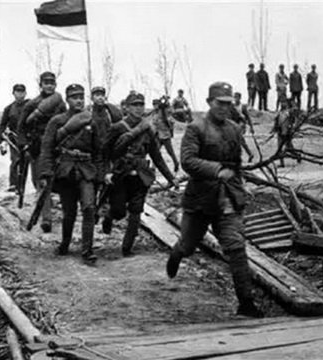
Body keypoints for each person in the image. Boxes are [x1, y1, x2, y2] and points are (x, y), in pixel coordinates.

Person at [166, 81, 264, 318]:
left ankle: (246, 304)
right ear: (209, 102)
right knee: (188, 245)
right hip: (200, 199)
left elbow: (236, 164)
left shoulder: (233, 128)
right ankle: (177, 253)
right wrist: (217, 170)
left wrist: (240, 184)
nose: (224, 107)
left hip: (227, 198)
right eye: (220, 103)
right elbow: (188, 161)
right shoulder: (195, 128)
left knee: (236, 248)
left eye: (228, 103)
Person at [102, 92, 178, 256]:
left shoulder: (147, 129)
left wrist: (171, 177)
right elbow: (105, 153)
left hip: (141, 175)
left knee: (136, 211)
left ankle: (126, 248)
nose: (138, 108)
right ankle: (109, 216)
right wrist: (107, 172)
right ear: (127, 107)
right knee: (119, 211)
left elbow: (156, 157)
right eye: (134, 105)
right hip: (121, 175)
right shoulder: (118, 128)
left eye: (141, 105)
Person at [37, 84, 103, 265]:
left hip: (86, 170)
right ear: (67, 100)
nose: (79, 100)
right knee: (69, 212)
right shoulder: (57, 121)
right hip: (66, 170)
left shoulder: (91, 121)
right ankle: (65, 243)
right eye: (74, 97)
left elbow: (98, 152)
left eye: (81, 97)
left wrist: (100, 175)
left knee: (89, 208)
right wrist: (45, 173)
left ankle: (87, 250)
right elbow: (47, 149)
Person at [18, 71, 67, 233]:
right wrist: (24, 145)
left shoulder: (60, 104)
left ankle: (54, 216)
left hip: (56, 147)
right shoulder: (32, 105)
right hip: (38, 148)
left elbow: (67, 122)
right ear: (40, 85)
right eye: (46, 83)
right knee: (39, 182)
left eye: (52, 83)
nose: (49, 86)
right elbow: (21, 128)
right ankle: (46, 215)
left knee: (58, 181)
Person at [0, 83, 29, 192]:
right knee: (15, 161)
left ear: (25, 93)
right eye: (17, 92)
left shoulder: (30, 106)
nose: (20, 94)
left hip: (28, 138)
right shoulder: (9, 109)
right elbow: (3, 125)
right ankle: (14, 184)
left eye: (22, 92)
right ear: (13, 93)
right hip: (14, 138)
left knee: (26, 162)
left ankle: (22, 186)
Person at [152, 96, 180, 173]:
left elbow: (170, 120)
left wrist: (165, 101)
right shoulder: (155, 113)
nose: (154, 106)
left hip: (165, 136)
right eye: (153, 104)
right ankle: (153, 167)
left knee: (170, 152)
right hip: (158, 135)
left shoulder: (164, 112)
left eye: (155, 104)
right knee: (156, 151)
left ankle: (176, 163)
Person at [272, 98, 302, 167]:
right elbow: (276, 121)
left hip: (287, 132)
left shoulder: (289, 112)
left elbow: (295, 117)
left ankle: (297, 156)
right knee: (279, 148)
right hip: (280, 132)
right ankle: (282, 163)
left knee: (289, 148)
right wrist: (274, 128)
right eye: (282, 102)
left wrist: (292, 128)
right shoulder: (280, 112)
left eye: (284, 102)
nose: (282, 104)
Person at [230, 92, 255, 162]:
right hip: (233, 125)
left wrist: (251, 127)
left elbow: (248, 117)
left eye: (236, 97)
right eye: (234, 97)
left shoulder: (242, 107)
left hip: (241, 125)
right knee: (238, 141)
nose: (235, 99)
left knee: (239, 139)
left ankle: (245, 154)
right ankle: (249, 154)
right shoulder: (232, 107)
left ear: (239, 98)